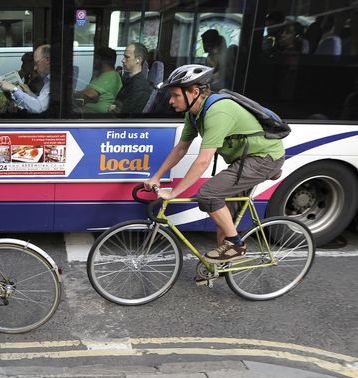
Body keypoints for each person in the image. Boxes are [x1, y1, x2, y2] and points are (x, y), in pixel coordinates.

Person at [144, 64, 285, 271]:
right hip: (245, 161)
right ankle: (221, 266)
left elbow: (203, 161)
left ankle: (237, 246)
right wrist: (156, 177)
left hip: (263, 158)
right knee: (224, 219)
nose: (170, 101)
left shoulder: (217, 111)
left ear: (194, 92)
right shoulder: (193, 113)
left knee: (209, 195)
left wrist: (174, 192)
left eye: (175, 95)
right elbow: (181, 149)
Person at [0, 44, 51, 114]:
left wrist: (14, 89)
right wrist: (29, 92)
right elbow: (39, 102)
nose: (35, 68)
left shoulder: (48, 81)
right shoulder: (47, 80)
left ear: (47, 60)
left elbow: (38, 108)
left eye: (36, 63)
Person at [74, 46, 122, 113]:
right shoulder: (101, 74)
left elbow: (90, 94)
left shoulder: (111, 76)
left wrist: (73, 93)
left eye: (97, 58)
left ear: (103, 61)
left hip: (96, 115)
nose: (95, 61)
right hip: (87, 110)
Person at [108, 42, 152, 114]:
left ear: (138, 60)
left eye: (127, 57)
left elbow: (124, 114)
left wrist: (113, 108)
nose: (123, 60)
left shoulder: (140, 87)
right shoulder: (129, 80)